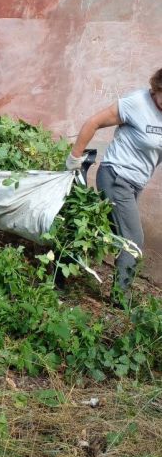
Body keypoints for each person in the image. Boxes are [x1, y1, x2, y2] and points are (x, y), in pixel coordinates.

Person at [65, 68, 162, 291]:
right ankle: (121, 298)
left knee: (105, 230)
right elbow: (93, 122)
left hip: (135, 183)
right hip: (116, 176)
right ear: (157, 88)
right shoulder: (136, 103)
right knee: (133, 240)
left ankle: (63, 265)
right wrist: (74, 157)